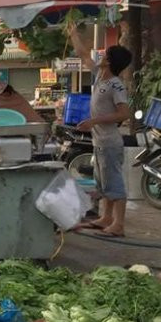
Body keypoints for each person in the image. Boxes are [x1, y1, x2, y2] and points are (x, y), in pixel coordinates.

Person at [69, 26, 133, 238]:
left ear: (110, 61)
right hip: (99, 141)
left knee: (114, 182)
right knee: (102, 181)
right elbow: (83, 54)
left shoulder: (116, 85)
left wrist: (94, 120)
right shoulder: (99, 76)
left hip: (109, 141)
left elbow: (124, 114)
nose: (102, 55)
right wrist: (73, 34)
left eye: (106, 54)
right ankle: (105, 218)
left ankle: (119, 224)